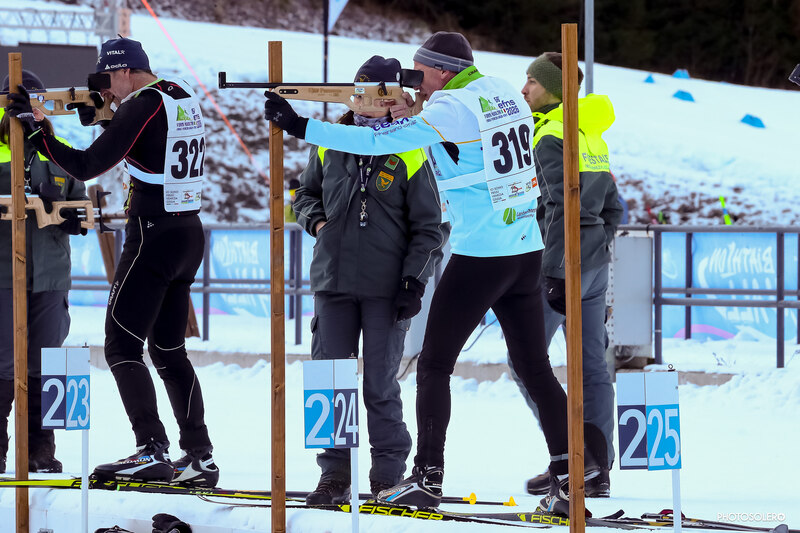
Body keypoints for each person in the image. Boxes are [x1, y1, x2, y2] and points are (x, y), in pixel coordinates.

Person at [265, 31, 586, 515]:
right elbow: (463, 138)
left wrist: (299, 125)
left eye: (419, 75)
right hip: (524, 246)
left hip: (481, 252)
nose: (416, 85)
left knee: (434, 366)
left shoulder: (451, 106)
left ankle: (427, 477)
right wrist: (415, 110)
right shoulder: (499, 89)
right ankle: (570, 477)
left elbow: (377, 140)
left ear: (441, 71)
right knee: (534, 368)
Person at [5, 37, 218, 486]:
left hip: (152, 235)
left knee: (121, 345)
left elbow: (86, 167)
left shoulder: (139, 105)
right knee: (168, 350)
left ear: (124, 71)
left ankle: (150, 447)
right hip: (187, 231)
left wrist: (40, 133)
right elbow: (148, 142)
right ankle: (199, 455)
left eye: (107, 81)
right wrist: (106, 117)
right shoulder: (178, 94)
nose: (106, 92)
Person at [293, 56, 448, 505]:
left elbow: (430, 227)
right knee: (329, 381)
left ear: (394, 98)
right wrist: (317, 221)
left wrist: (413, 281)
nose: (364, 101)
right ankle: (334, 474)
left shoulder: (411, 148)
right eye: (358, 92)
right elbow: (304, 193)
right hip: (333, 282)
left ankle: (386, 476)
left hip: (387, 289)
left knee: (380, 385)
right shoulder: (329, 142)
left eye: (375, 93)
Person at [508, 52, 622, 498]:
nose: (524, 90)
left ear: (554, 89)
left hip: (557, 264)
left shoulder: (549, 135)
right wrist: (598, 242)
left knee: (525, 361)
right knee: (592, 366)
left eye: (532, 82)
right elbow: (612, 206)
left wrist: (556, 269)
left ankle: (573, 457)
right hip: (592, 263)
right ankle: (596, 467)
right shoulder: (589, 132)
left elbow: (557, 207)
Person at [0, 70, 88, 474]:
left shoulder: (58, 151)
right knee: (3, 363)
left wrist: (70, 218)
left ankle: (41, 450)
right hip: (3, 275)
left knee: (47, 363)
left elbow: (80, 205)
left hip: (50, 277)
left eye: (34, 103)